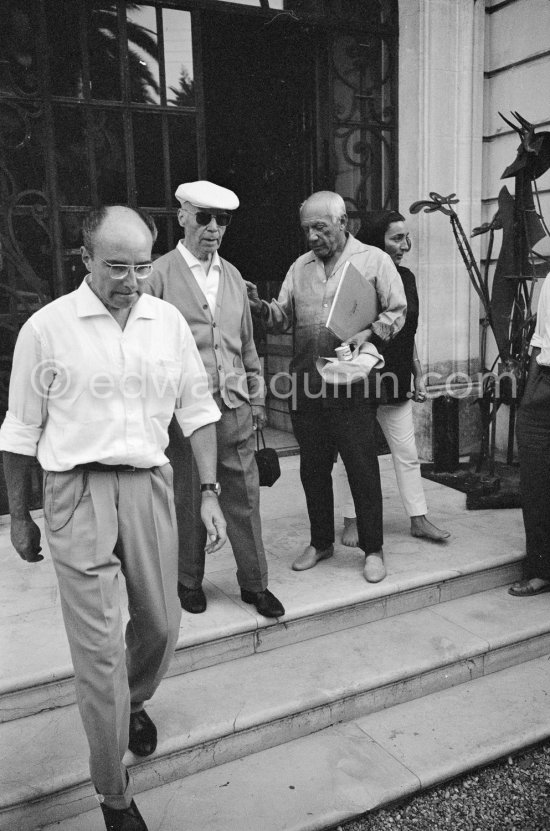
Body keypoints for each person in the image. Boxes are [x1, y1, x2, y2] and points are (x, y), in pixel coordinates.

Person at [0, 205, 227, 831]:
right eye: (116, 267)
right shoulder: (46, 330)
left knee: (159, 624)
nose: (131, 280)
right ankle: (113, 795)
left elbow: (198, 410)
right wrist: (21, 518)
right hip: (76, 492)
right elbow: (20, 433)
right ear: (86, 258)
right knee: (98, 651)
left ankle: (132, 702)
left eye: (142, 266)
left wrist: (208, 489)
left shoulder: (168, 323)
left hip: (150, 485)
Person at [247, 191, 406, 583]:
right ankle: (321, 543)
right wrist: (258, 305)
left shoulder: (375, 260)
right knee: (313, 470)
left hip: (351, 385)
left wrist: (368, 334)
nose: (312, 237)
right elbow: (282, 318)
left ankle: (373, 549)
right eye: (307, 229)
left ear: (343, 223)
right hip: (308, 385)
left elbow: (397, 311)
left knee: (361, 469)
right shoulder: (299, 267)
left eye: (320, 227)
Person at [145, 180, 285, 618]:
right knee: (188, 497)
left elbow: (247, 345)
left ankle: (254, 583)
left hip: (236, 406)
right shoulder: (157, 276)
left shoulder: (233, 277)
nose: (213, 228)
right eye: (203, 217)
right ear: (182, 215)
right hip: (184, 413)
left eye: (221, 220)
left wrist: (258, 399)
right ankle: (189, 579)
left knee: (244, 496)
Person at [339, 210, 450, 546]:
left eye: (406, 237)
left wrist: (417, 373)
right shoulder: (357, 277)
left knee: (406, 451)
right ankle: (350, 520)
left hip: (398, 377)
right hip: (362, 380)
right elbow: (345, 333)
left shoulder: (408, 277)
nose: (405, 245)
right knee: (355, 454)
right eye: (396, 238)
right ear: (377, 240)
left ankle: (418, 518)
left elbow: (407, 330)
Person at [509, 272, 550, 597]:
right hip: (544, 384)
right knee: (535, 481)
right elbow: (540, 339)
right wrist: (529, 396)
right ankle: (540, 569)